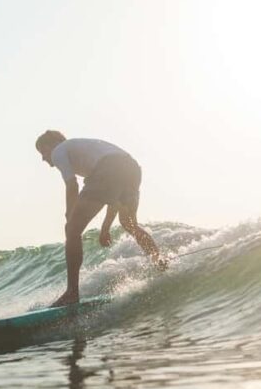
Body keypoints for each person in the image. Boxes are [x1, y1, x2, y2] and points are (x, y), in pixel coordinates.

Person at [35, 130, 165, 307]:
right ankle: (160, 263)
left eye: (43, 150)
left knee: (72, 230)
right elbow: (112, 197)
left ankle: (72, 293)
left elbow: (72, 184)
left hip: (109, 168)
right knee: (129, 223)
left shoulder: (59, 150)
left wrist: (70, 215)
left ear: (54, 143)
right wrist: (105, 228)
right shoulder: (88, 153)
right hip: (131, 168)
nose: (43, 158)